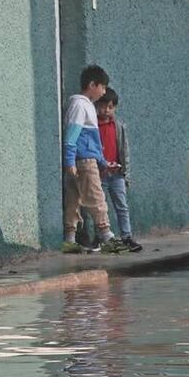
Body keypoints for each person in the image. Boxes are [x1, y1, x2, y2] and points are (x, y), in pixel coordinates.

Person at [61, 65, 127, 254]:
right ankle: (107, 237)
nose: (104, 91)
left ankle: (69, 239)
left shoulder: (86, 106)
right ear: (92, 85)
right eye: (103, 87)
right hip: (84, 162)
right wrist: (70, 162)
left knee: (74, 200)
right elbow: (72, 137)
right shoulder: (80, 105)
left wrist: (104, 162)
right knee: (97, 198)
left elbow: (90, 140)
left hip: (82, 160)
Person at [95, 88, 142, 252]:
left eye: (110, 107)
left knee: (122, 206)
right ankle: (100, 237)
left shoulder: (119, 126)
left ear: (114, 108)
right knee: (100, 207)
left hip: (117, 174)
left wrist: (126, 174)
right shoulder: (92, 125)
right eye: (102, 106)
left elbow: (125, 150)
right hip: (99, 174)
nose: (106, 110)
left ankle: (126, 236)